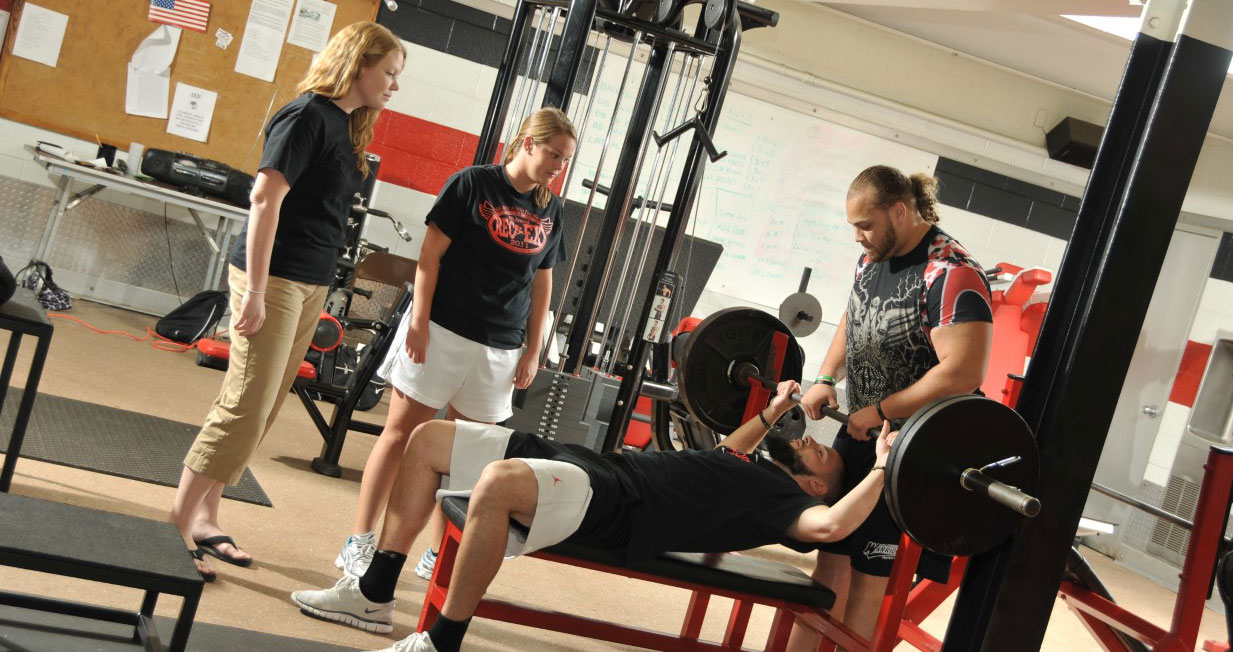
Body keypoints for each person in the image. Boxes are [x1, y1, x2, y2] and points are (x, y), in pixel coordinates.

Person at [291, 379, 894, 651]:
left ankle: (440, 642)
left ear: (817, 482)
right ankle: (373, 593)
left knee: (497, 485)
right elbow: (727, 451)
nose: (811, 439)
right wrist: (778, 406)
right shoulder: (756, 470)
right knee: (428, 439)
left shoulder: (788, 504)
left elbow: (831, 528)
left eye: (818, 450)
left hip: (617, 504)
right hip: (595, 463)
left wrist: (879, 468)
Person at [169, 22, 405, 582]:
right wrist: (253, 287)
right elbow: (263, 200)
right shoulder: (307, 116)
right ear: (358, 64)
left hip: (309, 280)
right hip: (271, 279)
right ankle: (176, 523)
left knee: (264, 404)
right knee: (245, 405)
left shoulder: (346, 126)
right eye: (389, 72)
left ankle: (206, 516)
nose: (395, 85)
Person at [332, 108, 577, 582]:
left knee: (468, 455)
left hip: (500, 347)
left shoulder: (551, 208)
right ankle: (359, 541)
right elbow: (429, 255)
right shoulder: (471, 184)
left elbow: (543, 282)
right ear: (528, 143)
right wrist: (418, 322)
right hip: (442, 328)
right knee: (401, 435)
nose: (557, 167)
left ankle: (438, 552)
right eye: (553, 155)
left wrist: (533, 348)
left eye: (565, 160)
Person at [790, 165, 993, 648]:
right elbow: (854, 314)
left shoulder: (951, 271)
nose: (858, 237)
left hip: (907, 448)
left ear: (900, 211)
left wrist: (880, 410)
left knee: (869, 573)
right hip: (861, 431)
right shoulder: (872, 257)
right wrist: (824, 375)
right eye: (853, 226)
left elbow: (963, 372)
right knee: (830, 558)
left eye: (865, 225)